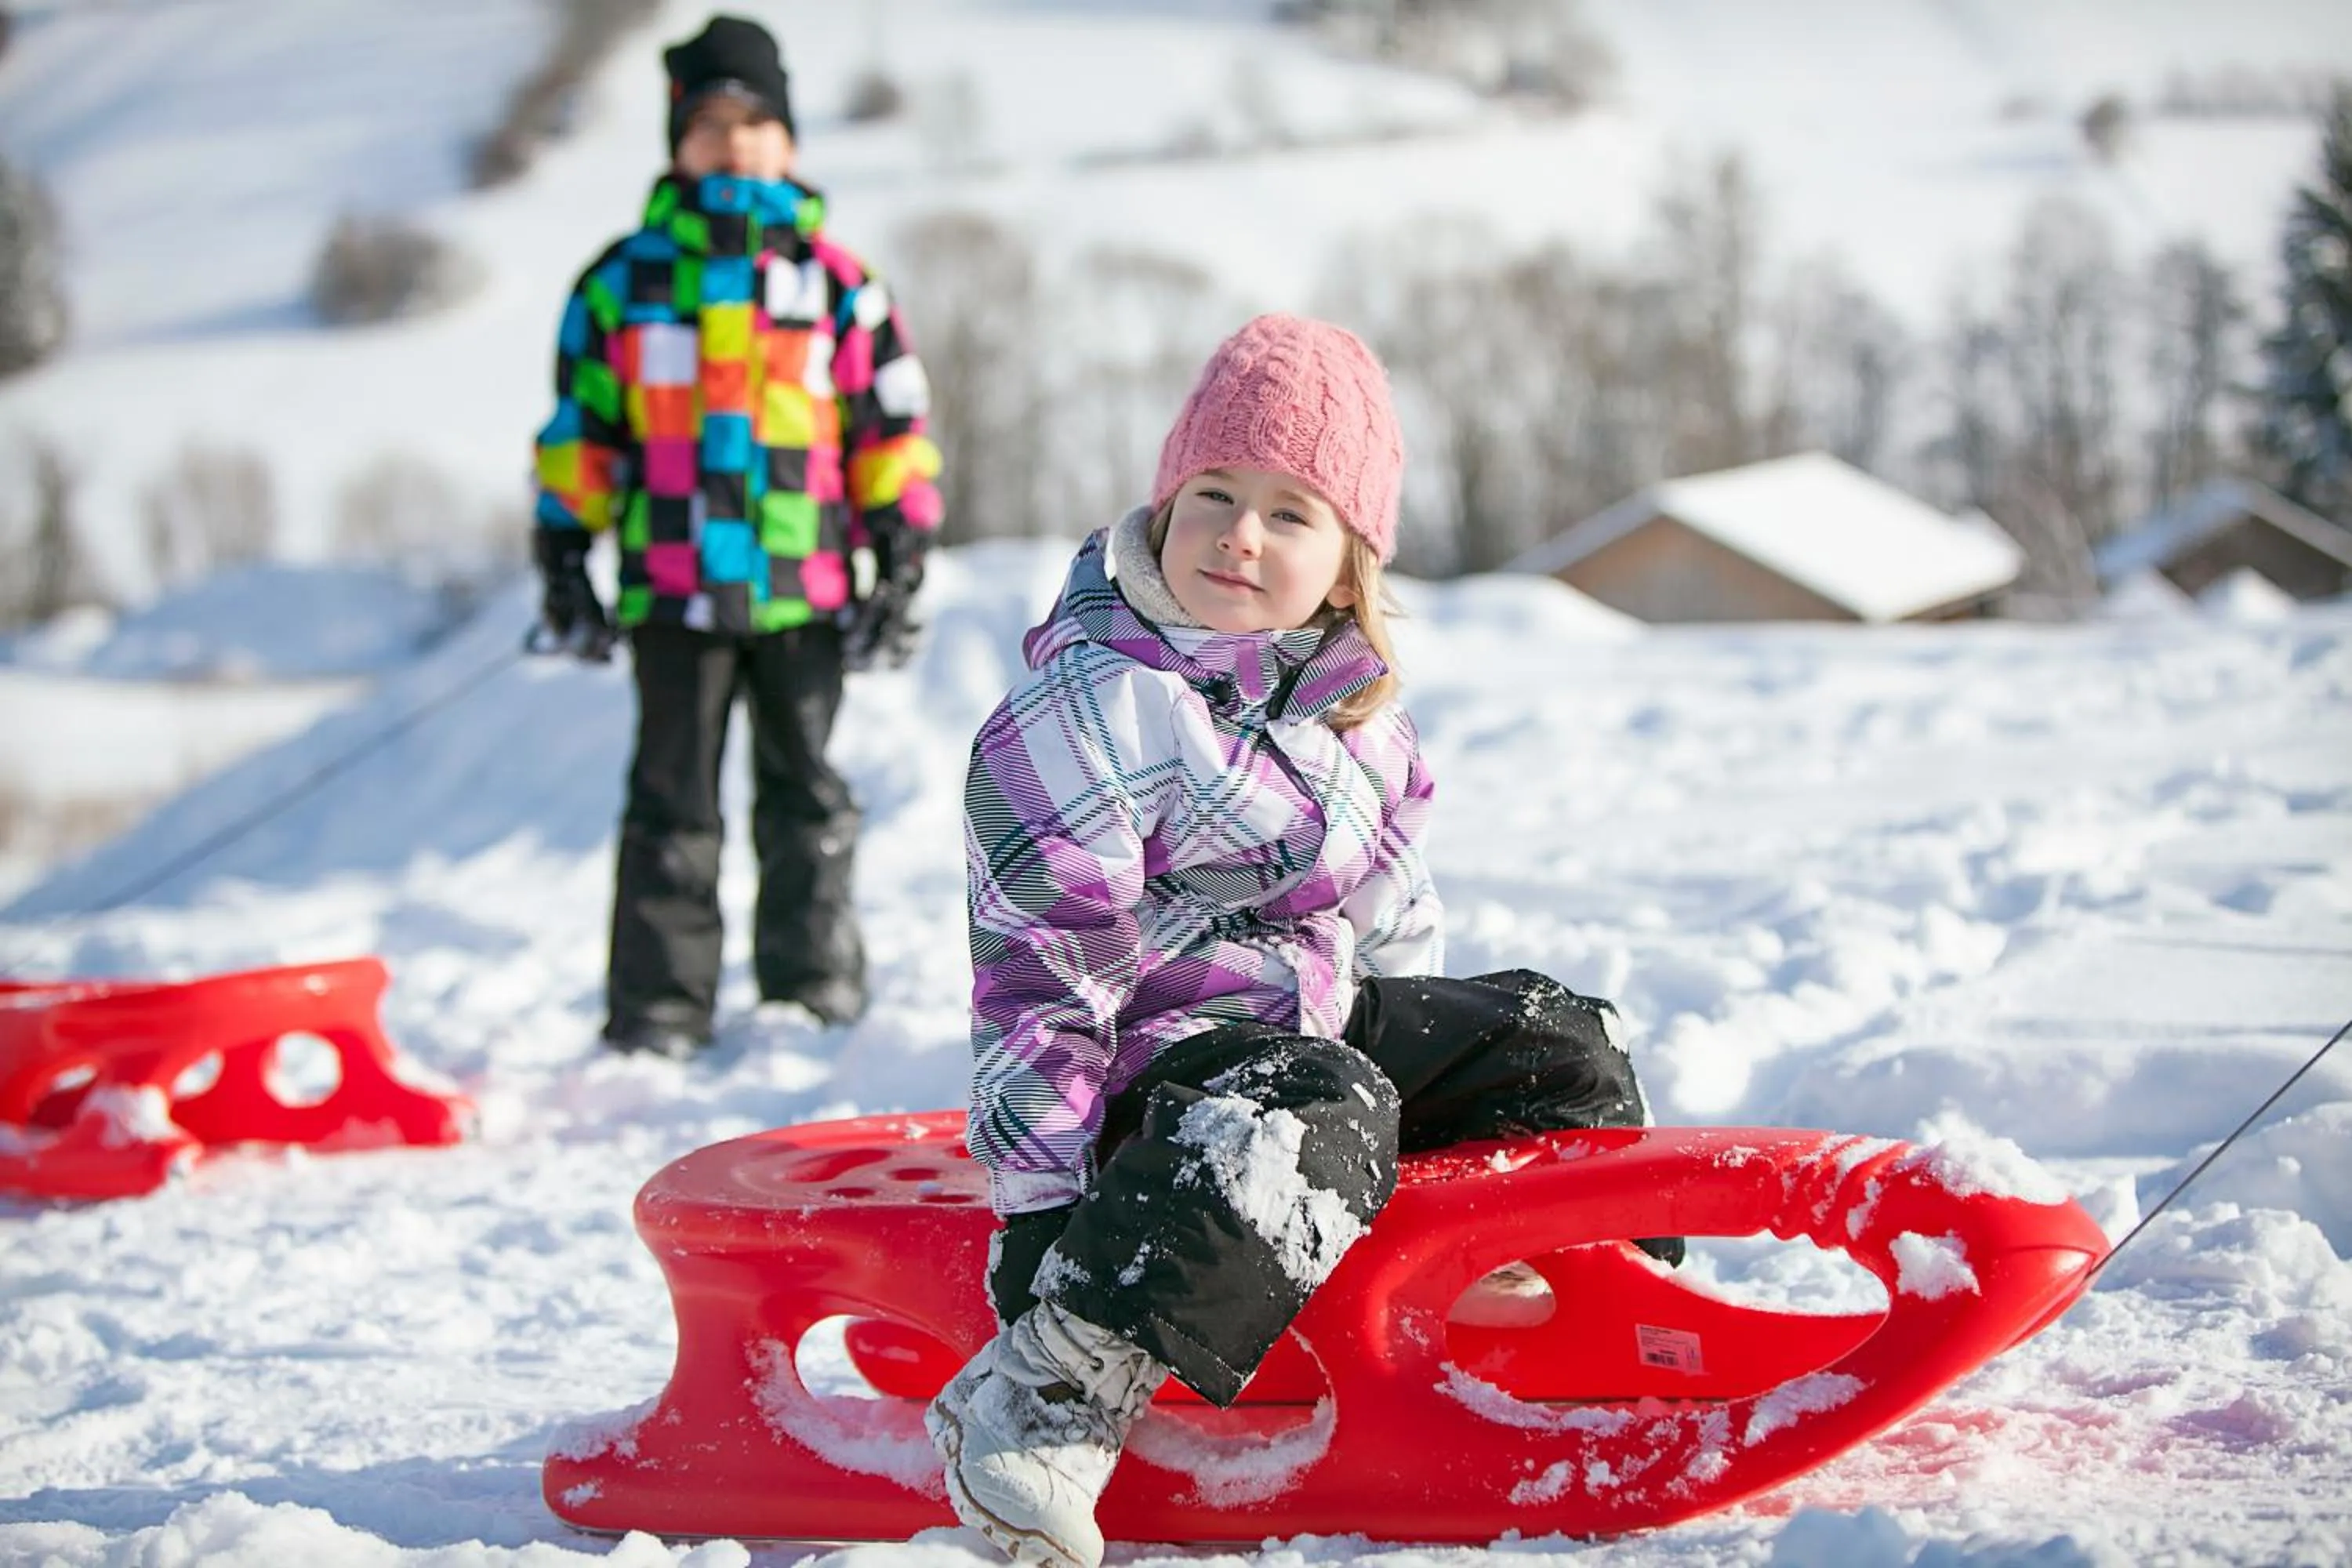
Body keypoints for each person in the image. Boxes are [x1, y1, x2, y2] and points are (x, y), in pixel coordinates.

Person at [925, 313, 1671, 1568]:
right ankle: (1048, 1388)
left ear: (1344, 566)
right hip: (1148, 1076)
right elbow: (1040, 981)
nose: (1238, 534)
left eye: (1289, 511)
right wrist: (1041, 1209)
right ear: (1164, 508)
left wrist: (1420, 1100)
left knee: (1554, 1037)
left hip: (1303, 1036)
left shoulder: (1346, 710)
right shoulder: (1097, 704)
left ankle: (1597, 1318)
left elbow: (1394, 908)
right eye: (1213, 494)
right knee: (1316, 1105)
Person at [531, 14, 943, 1057]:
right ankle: (660, 1010)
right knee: (670, 801)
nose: (735, 143)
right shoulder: (623, 283)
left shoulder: (838, 285)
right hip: (671, 590)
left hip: (802, 587)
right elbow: (584, 426)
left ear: (790, 140)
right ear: (678, 140)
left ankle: (813, 988)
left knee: (804, 793)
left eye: (756, 122)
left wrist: (900, 547)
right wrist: (565, 547)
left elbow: (887, 430)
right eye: (712, 123)